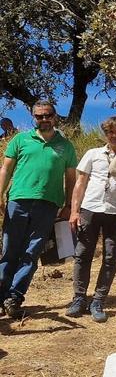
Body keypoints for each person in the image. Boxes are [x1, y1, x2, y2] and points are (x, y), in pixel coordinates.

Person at [0, 100, 77, 319]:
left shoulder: (66, 145)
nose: (44, 119)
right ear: (33, 117)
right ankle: (0, 295)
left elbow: (71, 178)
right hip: (18, 201)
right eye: (39, 116)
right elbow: (5, 169)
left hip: (48, 204)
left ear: (55, 116)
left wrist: (69, 205)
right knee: (9, 251)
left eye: (48, 115)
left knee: (31, 253)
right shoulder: (20, 139)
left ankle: (14, 297)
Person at [66, 116, 116, 322]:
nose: (114, 135)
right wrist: (74, 211)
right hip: (90, 209)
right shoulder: (93, 154)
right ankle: (79, 298)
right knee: (83, 255)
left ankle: (99, 300)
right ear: (105, 134)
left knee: (111, 258)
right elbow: (80, 184)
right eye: (110, 132)